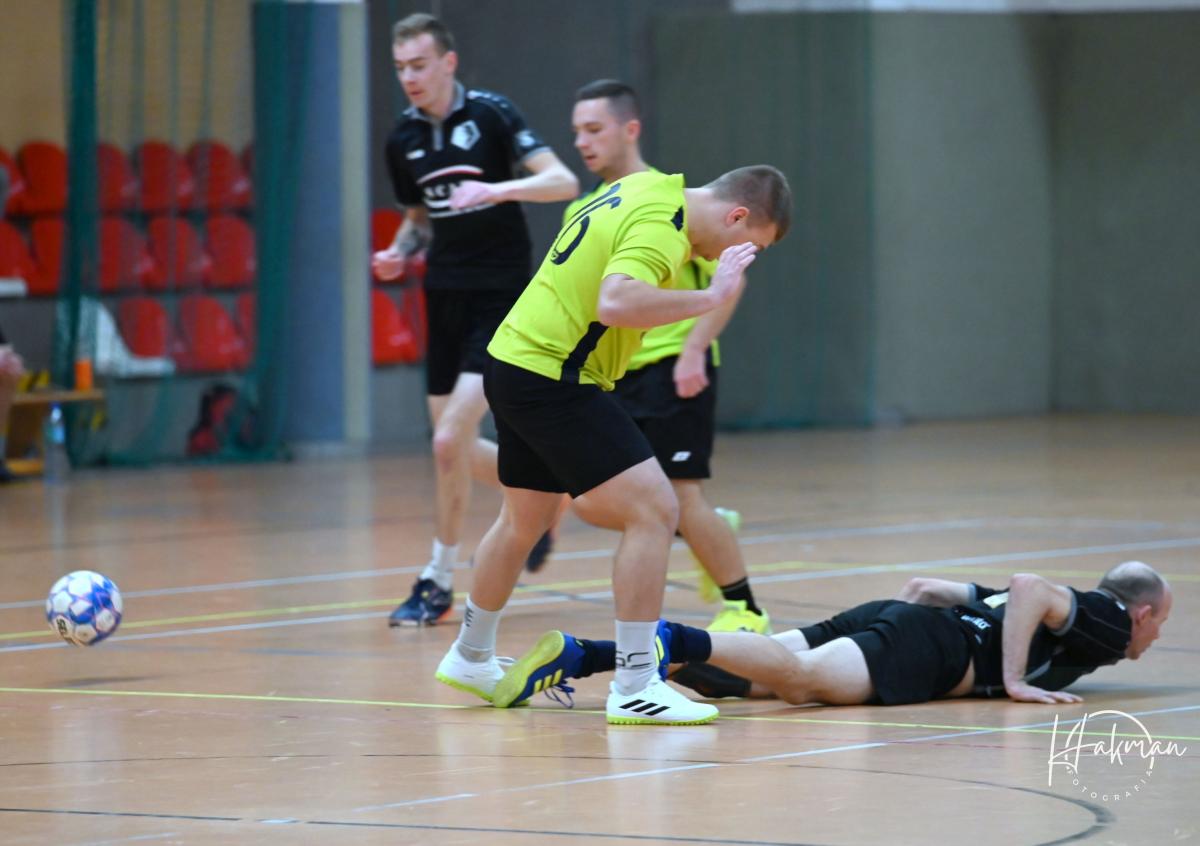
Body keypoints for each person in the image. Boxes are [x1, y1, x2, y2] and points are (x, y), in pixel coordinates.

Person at [433, 163, 792, 726]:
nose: (742, 259)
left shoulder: (645, 185)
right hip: (554, 375)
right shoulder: (665, 226)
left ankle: (471, 654)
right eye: (752, 247)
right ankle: (635, 684)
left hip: (514, 360)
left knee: (523, 519)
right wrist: (711, 295)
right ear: (737, 216)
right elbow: (616, 303)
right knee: (656, 509)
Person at [373, 13, 579, 625]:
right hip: (444, 297)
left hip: (502, 297)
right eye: (400, 68)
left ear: (448, 63)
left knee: (447, 441)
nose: (409, 77)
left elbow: (563, 181)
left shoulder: (492, 115)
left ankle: (437, 580)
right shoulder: (402, 138)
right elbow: (419, 219)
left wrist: (498, 190)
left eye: (419, 65)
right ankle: (547, 491)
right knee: (454, 448)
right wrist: (399, 251)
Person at [561, 79, 769, 635]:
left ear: (630, 129)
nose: (582, 142)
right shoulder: (582, 208)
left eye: (594, 129)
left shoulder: (671, 202)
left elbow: (731, 282)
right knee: (593, 499)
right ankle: (704, 529)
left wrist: (694, 348)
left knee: (677, 493)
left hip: (673, 368)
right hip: (611, 376)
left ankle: (745, 608)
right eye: (577, 131)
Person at [493, 560, 1171, 711]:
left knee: (757, 679)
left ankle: (586, 655)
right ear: (1141, 612)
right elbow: (1029, 587)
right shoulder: (1109, 622)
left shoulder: (1083, 626)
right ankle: (671, 636)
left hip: (903, 622)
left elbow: (928, 588)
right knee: (802, 684)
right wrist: (1014, 681)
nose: (1154, 638)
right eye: (1160, 623)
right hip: (931, 648)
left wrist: (894, 623)